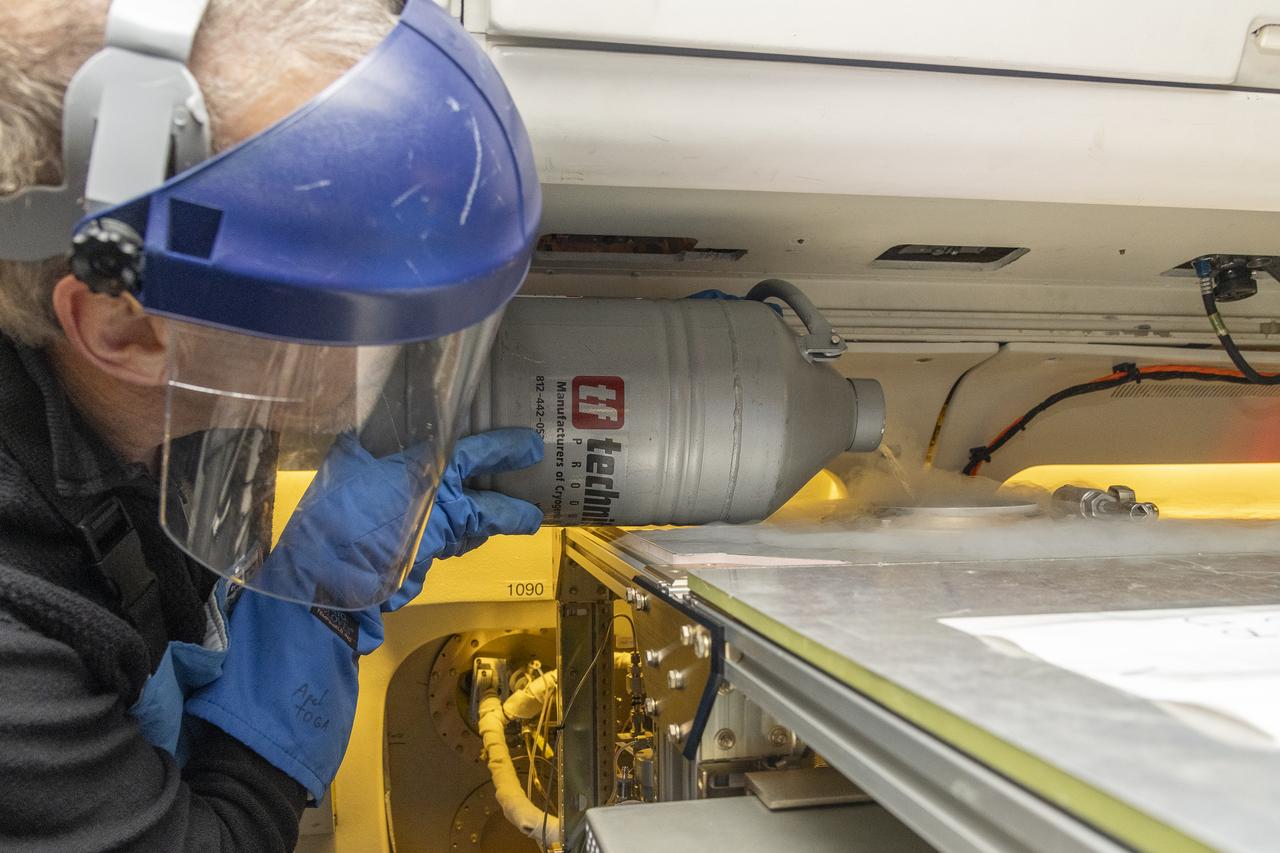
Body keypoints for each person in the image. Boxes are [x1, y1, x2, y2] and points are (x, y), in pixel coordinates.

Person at [0, 0, 545, 849]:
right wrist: (315, 608)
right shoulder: (17, 644)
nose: (402, 346)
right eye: (346, 295)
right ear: (128, 329)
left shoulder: (162, 378)